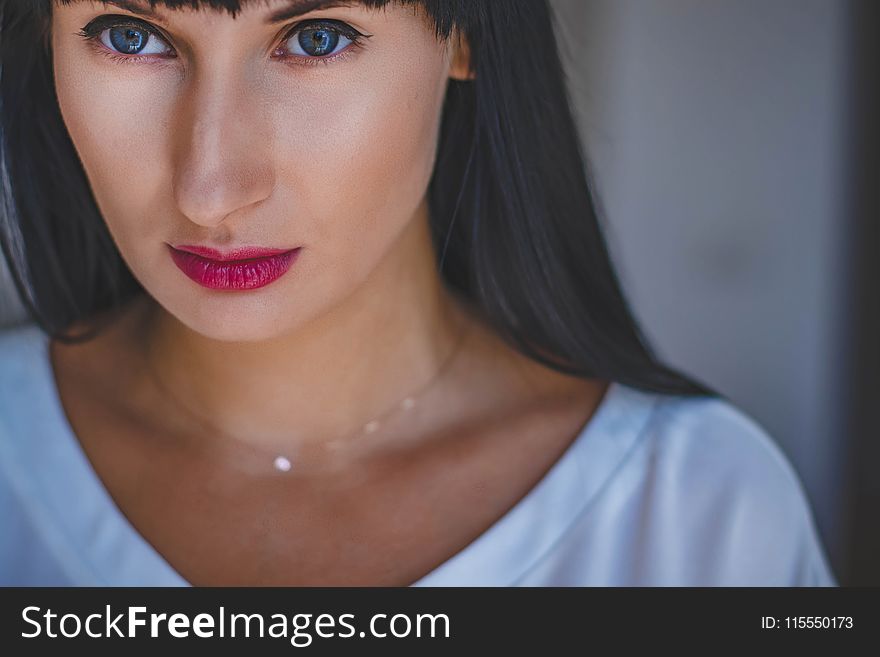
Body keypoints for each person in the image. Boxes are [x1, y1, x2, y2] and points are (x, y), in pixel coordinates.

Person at [0, 0, 836, 586]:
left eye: (318, 37)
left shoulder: (699, 518)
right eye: (130, 35)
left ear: (466, 31)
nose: (212, 188)